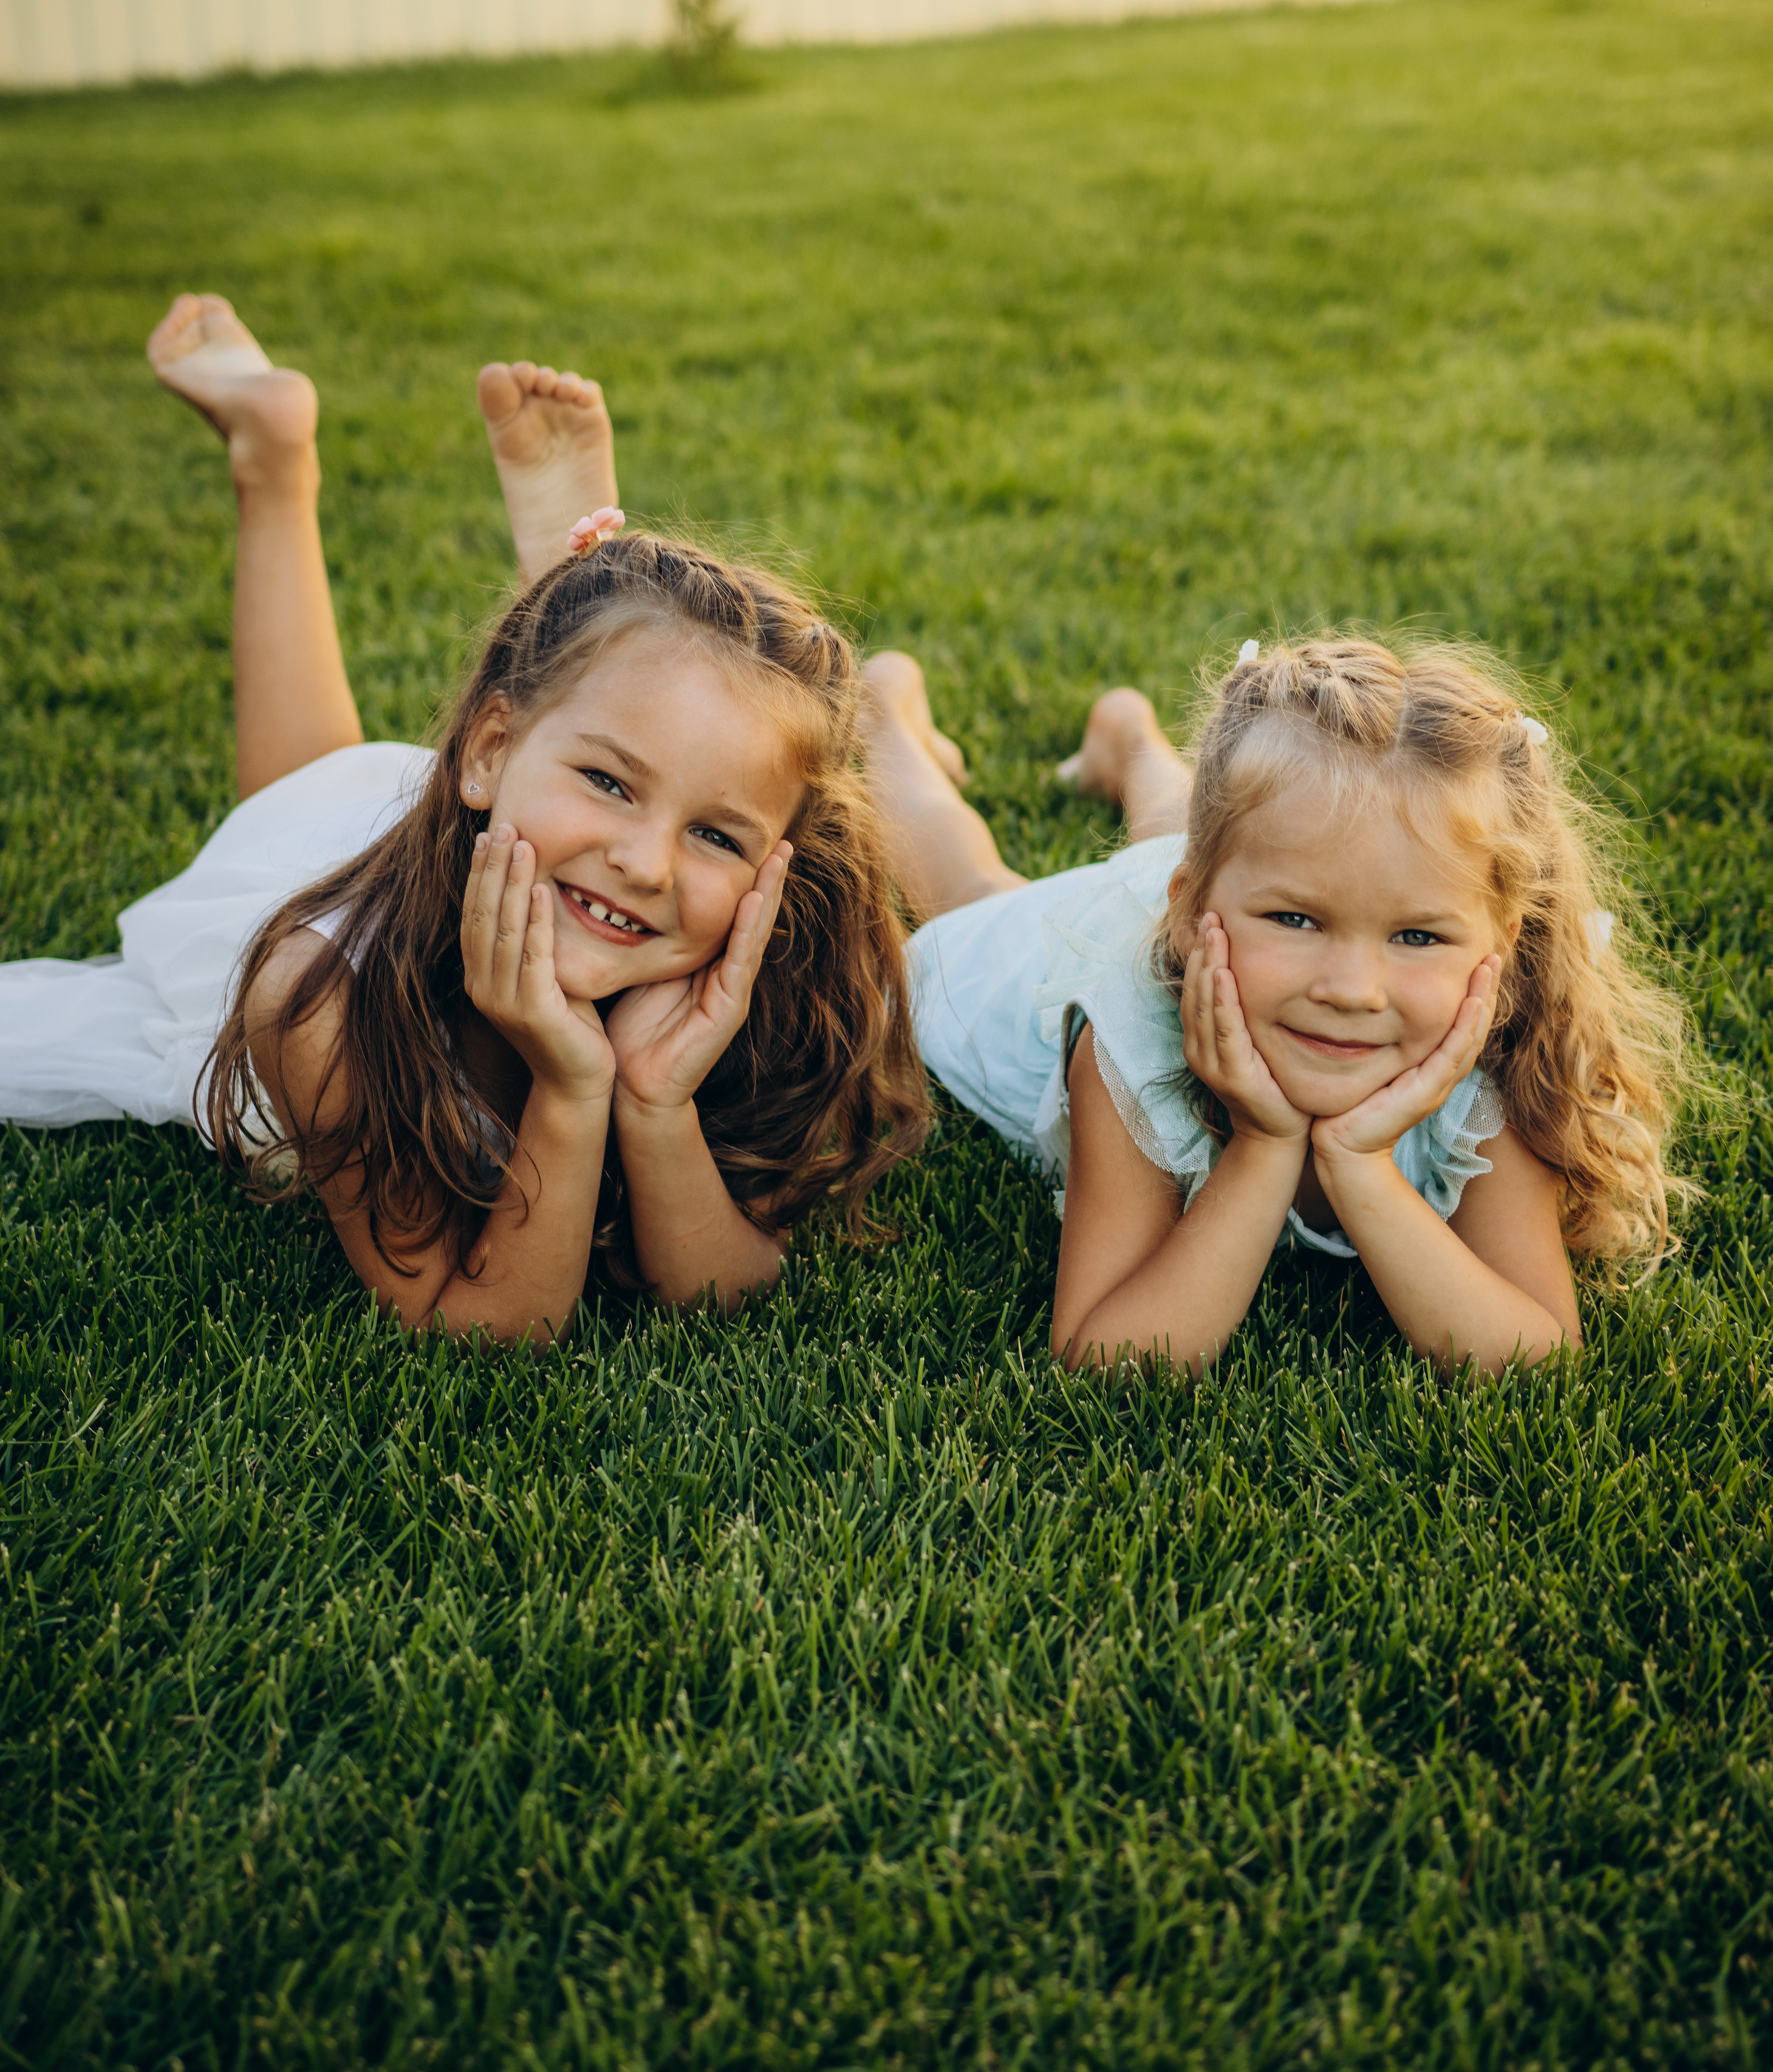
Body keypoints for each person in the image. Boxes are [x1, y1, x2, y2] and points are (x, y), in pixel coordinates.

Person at [0, 297, 926, 1347]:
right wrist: (571, 1091)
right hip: (360, 884)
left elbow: (724, 1291)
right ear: (484, 750)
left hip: (504, 840)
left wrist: (655, 1102)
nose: (647, 865)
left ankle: (573, 614)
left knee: (478, 770)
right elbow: (481, 1325)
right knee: (294, 796)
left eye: (717, 836)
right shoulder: (315, 1008)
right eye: (611, 782)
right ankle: (276, 462)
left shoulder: (752, 978)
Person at [859, 637, 1688, 1378]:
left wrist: (1361, 1165)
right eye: (1297, 921)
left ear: (1496, 949)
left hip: (1230, 895)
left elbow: (1538, 1357)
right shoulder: (1132, 1036)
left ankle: (1132, 739)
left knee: (1227, 843)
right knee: (980, 888)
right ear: (1190, 916)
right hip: (1125, 942)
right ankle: (885, 709)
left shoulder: (1497, 1047)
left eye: (1418, 936)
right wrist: (1266, 1144)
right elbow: (1102, 1359)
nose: (1351, 990)